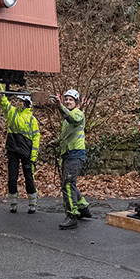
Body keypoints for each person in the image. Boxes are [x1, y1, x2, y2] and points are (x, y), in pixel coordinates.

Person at [52, 88, 91, 230]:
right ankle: (83, 208)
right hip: (68, 154)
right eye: (66, 99)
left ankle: (71, 216)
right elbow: (67, 136)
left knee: (67, 185)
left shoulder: (78, 114)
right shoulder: (66, 119)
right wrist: (56, 141)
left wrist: (60, 107)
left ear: (76, 102)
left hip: (76, 154)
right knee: (70, 183)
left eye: (71, 100)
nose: (68, 102)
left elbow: (72, 119)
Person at [0, 87, 40, 214]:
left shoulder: (32, 119)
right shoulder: (12, 112)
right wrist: (0, 85)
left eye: (21, 101)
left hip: (26, 152)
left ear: (26, 103)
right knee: (12, 178)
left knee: (29, 178)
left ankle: (32, 203)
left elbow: (36, 138)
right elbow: (3, 101)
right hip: (13, 150)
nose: (19, 103)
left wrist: (34, 156)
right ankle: (13, 203)